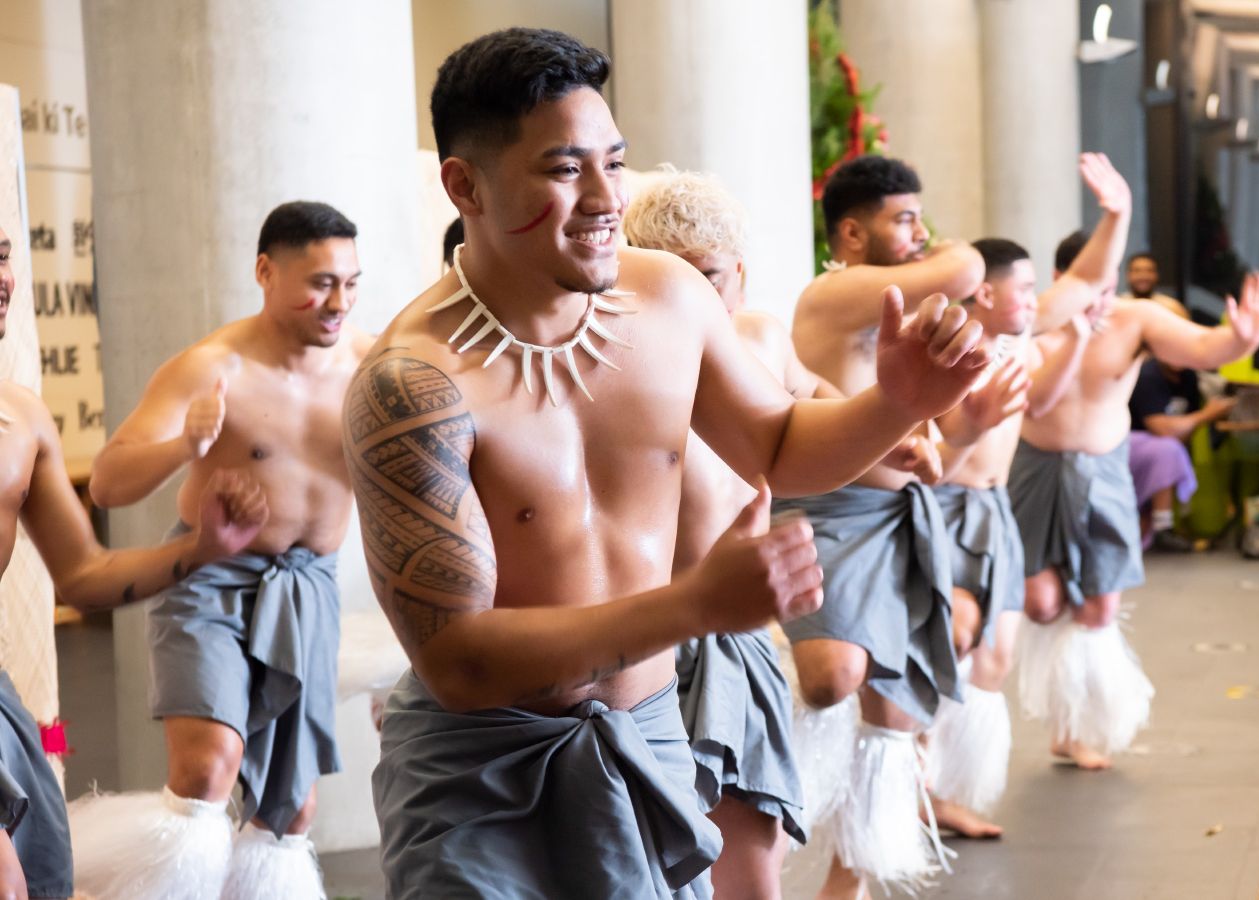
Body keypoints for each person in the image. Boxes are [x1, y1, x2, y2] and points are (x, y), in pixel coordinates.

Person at [346, 29, 987, 899]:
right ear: (466, 186)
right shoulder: (412, 384)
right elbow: (458, 659)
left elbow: (778, 445)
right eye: (565, 170)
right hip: (481, 773)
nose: (608, 196)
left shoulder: (670, 298)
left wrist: (898, 403)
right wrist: (691, 606)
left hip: (647, 734)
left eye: (615, 161)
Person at [785, 153, 1126, 898]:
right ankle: (796, 797)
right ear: (849, 234)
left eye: (919, 220)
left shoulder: (911, 319)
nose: (919, 235)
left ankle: (853, 881)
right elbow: (965, 267)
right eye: (903, 220)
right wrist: (957, 261)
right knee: (831, 678)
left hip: (908, 511)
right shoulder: (828, 298)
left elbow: (936, 455)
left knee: (897, 717)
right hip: (831, 515)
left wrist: (965, 428)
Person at [78, 201, 372, 897]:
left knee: (289, 808)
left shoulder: (373, 362)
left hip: (310, 588)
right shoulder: (213, 367)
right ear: (265, 272)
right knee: (209, 768)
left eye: (353, 283)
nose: (340, 302)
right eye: (322, 282)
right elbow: (110, 483)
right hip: (207, 578)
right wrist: (187, 445)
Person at [0, 225, 270, 900]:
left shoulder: (24, 417)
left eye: (3, 258)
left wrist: (201, 549)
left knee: (43, 878)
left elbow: (83, 575)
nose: (3, 278)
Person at [622, 167, 838, 898]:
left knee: (753, 838)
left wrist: (899, 430)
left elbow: (817, 405)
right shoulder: (616, 350)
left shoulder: (761, 340)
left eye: (707, 276)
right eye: (669, 277)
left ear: (738, 274)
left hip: (737, 636)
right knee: (657, 844)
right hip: (644, 629)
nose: (691, 297)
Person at [1011, 270, 1259, 768]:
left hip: (1104, 470)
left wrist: (1242, 338)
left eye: (1113, 280)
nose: (1107, 293)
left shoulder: (1136, 319)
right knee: (1042, 602)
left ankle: (1075, 730)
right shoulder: (1033, 320)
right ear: (1063, 280)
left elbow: (1202, 347)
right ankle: (1060, 719)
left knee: (1100, 610)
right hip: (1037, 470)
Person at [921, 237, 1091, 841]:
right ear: (986, 292)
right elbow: (929, 450)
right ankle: (920, 790)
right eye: (1023, 289)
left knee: (994, 659)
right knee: (945, 649)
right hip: (944, 508)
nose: (1033, 300)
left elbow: (1040, 399)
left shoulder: (1014, 349)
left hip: (996, 507)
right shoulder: (944, 354)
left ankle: (943, 793)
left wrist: (1076, 337)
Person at [1126, 358, 1234, 552]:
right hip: (1126, 447)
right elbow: (1161, 428)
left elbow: (1185, 430)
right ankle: (1162, 529)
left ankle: (1158, 530)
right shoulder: (1148, 375)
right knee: (1167, 449)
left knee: (1172, 450)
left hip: (1160, 449)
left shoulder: (1189, 378)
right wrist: (1206, 415)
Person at [1124, 252, 1188, 319]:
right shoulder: (1118, 308)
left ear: (1157, 275)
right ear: (1128, 275)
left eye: (1149, 271)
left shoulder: (1172, 308)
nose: (1143, 276)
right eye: (1137, 271)